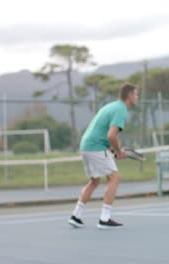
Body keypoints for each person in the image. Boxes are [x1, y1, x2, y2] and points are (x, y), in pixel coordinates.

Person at [68, 82, 138, 229]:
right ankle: (104, 219)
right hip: (96, 147)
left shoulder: (112, 106)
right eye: (136, 94)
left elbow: (105, 136)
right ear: (130, 95)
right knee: (114, 177)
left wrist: (114, 151)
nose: (137, 97)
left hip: (86, 145)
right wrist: (118, 152)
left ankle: (76, 215)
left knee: (95, 181)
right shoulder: (121, 110)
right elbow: (111, 136)